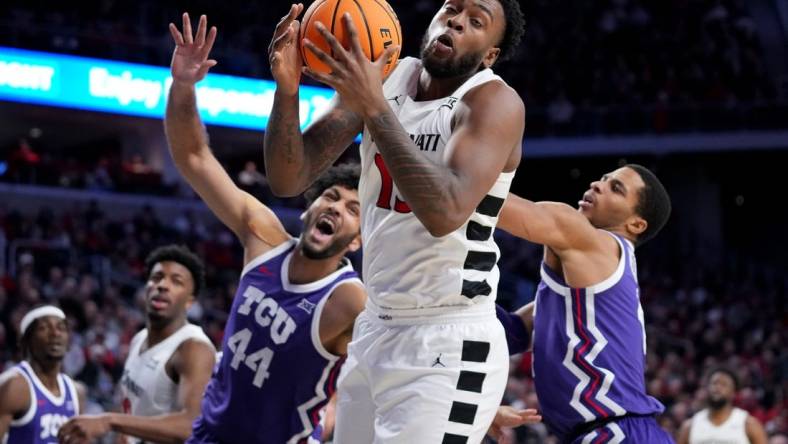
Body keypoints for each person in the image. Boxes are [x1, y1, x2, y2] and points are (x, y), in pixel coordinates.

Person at [265, 0, 526, 441]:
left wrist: (376, 108)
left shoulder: (493, 102)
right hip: (375, 326)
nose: (456, 21)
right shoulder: (390, 75)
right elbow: (288, 178)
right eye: (451, 9)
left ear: (490, 55)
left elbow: (445, 213)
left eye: (476, 21)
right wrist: (287, 91)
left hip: (447, 335)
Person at [163, 14, 366, 443]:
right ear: (311, 206)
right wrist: (182, 86)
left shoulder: (349, 299)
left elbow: (404, 356)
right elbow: (194, 157)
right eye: (331, 197)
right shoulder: (264, 237)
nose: (337, 208)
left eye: (353, 208)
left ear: (359, 239)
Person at [495, 165, 674, 443]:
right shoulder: (579, 293)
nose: (597, 185)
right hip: (606, 433)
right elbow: (513, 331)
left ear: (636, 224)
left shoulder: (602, 245)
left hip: (618, 434)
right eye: (603, 178)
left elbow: (481, 200)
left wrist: (426, 160)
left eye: (616, 188)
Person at [58, 245, 216, 444]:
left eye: (176, 281)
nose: (162, 285)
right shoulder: (138, 339)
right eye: (157, 277)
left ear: (190, 302)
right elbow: (128, 412)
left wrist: (108, 421)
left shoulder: (194, 347)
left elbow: (191, 425)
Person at [0, 305, 85, 444]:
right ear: (26, 341)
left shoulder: (77, 392)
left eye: (61, 328)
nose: (55, 333)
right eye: (44, 328)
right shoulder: (13, 386)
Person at [677, 367, 768, 444]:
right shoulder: (690, 426)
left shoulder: (748, 424)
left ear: (733, 393)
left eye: (724, 384)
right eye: (714, 383)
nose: (717, 387)